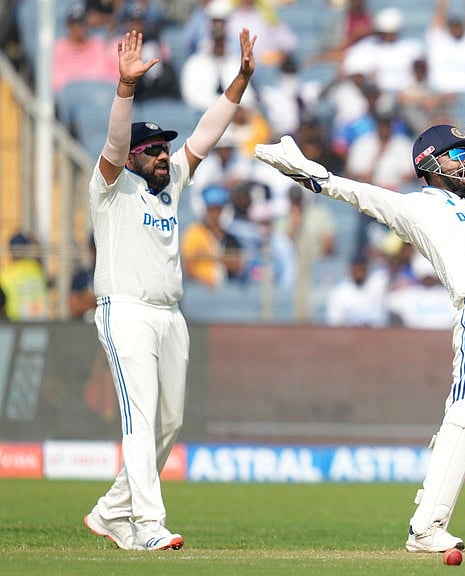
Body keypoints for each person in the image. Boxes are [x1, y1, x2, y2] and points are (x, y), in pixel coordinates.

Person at [255, 123, 465, 553]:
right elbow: (357, 193)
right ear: (428, 164)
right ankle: (426, 528)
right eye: (456, 154)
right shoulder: (418, 208)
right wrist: (309, 173)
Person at [83, 28, 255, 552]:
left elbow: (206, 132)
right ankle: (146, 523)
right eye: (153, 149)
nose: (164, 155)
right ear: (133, 157)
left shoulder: (170, 183)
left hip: (169, 315)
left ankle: (110, 511)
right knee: (139, 416)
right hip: (126, 311)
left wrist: (242, 80)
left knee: (171, 420)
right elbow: (114, 143)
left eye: (165, 148)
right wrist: (125, 88)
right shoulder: (111, 186)